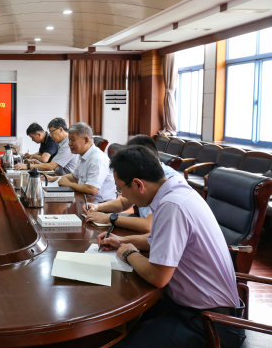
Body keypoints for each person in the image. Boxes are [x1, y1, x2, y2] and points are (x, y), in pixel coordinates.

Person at [99, 146, 244, 347]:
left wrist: (129, 252)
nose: (121, 194)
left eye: (120, 189)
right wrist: (121, 241)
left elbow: (158, 276)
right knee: (126, 326)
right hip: (193, 309)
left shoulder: (172, 206)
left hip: (210, 324)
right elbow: (159, 241)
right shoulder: (176, 190)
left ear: (138, 184)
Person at [83, 135, 184, 233]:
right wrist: (97, 207)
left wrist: (109, 218)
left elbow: (148, 226)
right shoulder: (141, 174)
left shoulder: (169, 183)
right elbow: (124, 202)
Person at [55, 122, 116, 202]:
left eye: (72, 140)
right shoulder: (83, 155)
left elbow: (92, 189)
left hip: (100, 204)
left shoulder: (97, 158)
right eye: (69, 140)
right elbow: (74, 177)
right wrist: (60, 178)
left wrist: (68, 184)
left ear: (86, 140)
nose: (69, 144)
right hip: (86, 200)